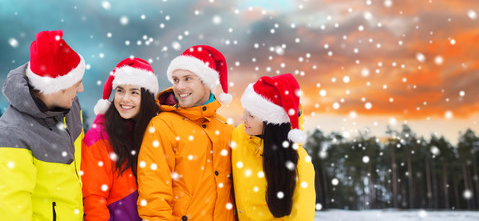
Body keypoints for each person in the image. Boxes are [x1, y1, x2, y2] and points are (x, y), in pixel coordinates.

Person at [137, 45, 235, 220]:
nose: (179, 87)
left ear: (207, 81)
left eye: (187, 79)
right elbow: (153, 192)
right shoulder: (163, 125)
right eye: (175, 80)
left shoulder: (226, 127)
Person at [0, 30, 86, 220]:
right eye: (76, 83)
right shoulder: (12, 135)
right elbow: (13, 211)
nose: (81, 89)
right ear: (55, 88)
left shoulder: (71, 106)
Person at [80, 57, 159, 220]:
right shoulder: (99, 135)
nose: (125, 99)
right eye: (120, 90)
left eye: (134, 92)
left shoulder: (155, 134)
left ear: (147, 98)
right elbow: (93, 199)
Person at [232, 73, 316, 220]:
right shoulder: (240, 136)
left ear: (272, 124)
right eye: (244, 110)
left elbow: (301, 216)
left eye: (251, 115)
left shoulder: (299, 162)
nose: (242, 118)